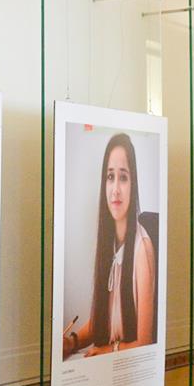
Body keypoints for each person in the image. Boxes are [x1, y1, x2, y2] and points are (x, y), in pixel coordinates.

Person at [62, 133, 156, 359]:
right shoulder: (109, 245)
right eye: (110, 177)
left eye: (123, 178)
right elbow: (101, 321)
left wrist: (107, 351)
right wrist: (72, 342)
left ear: (133, 184)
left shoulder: (142, 249)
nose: (115, 189)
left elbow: (144, 342)